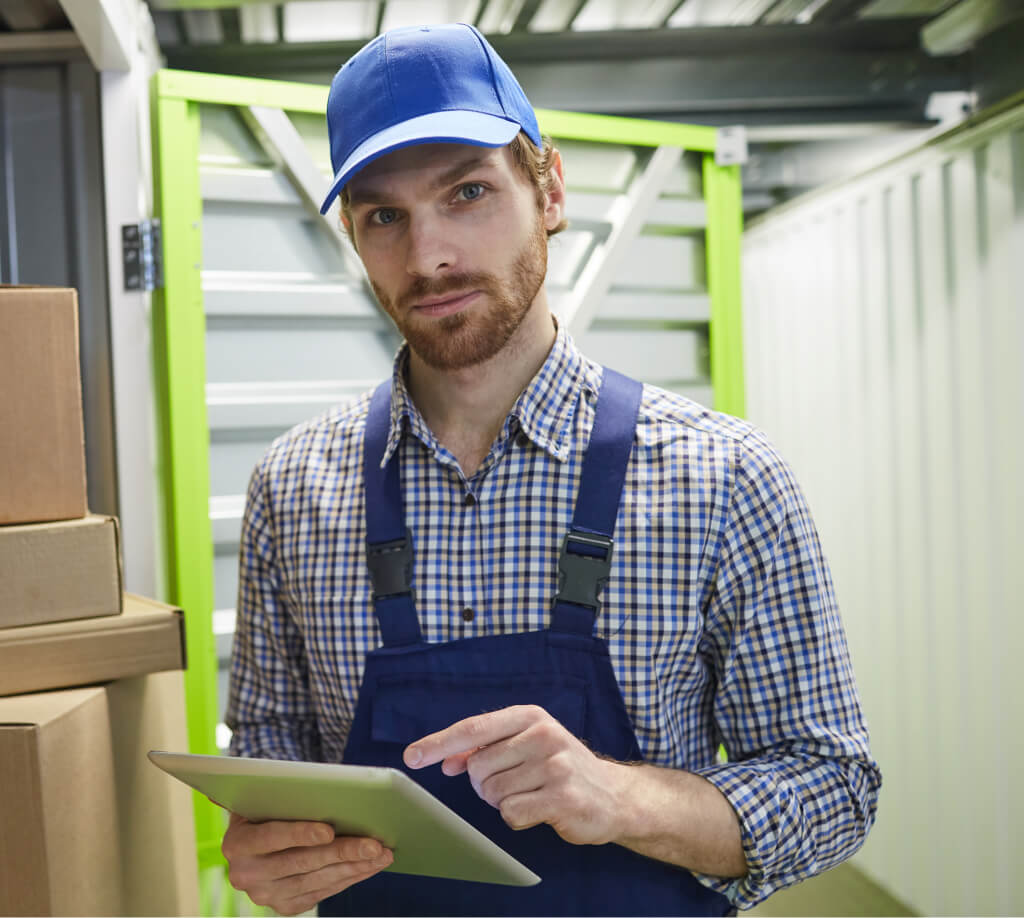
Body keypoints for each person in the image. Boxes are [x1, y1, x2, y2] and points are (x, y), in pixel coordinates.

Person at [223, 21, 881, 918]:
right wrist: (268, 856)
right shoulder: (291, 490)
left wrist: (621, 799)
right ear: (352, 232)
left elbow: (836, 785)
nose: (429, 257)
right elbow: (270, 764)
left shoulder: (724, 479)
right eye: (385, 215)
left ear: (551, 191)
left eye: (467, 193)